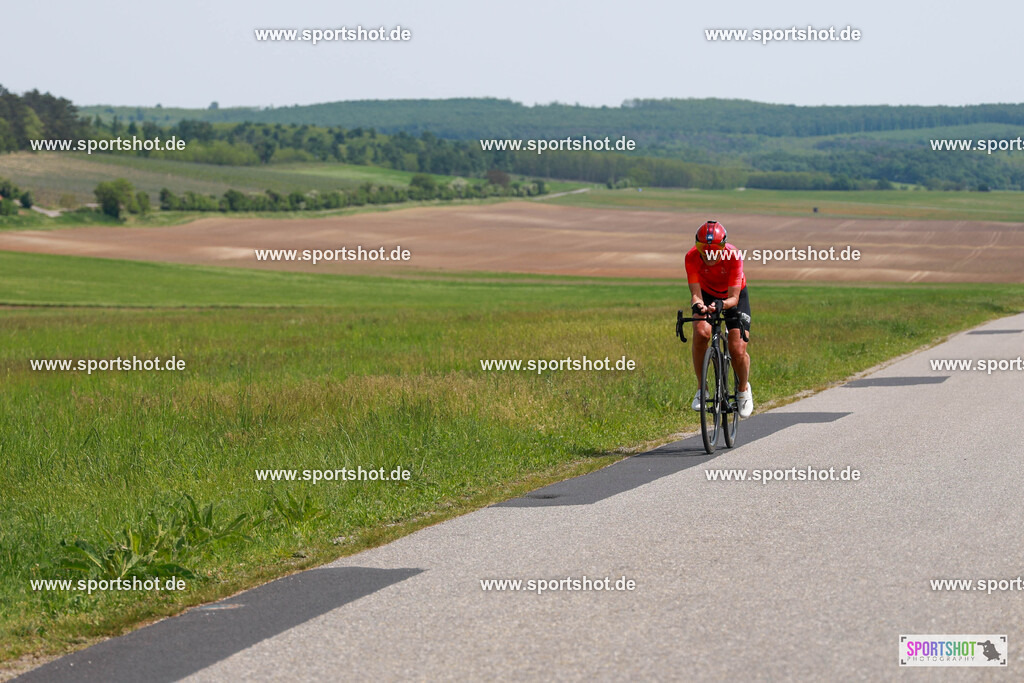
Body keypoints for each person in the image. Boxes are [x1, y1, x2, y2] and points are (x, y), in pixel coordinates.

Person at [684, 220, 753, 418]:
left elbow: (734, 297)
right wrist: (699, 305)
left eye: (714, 249)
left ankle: (742, 390)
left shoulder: (733, 256)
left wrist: (721, 305)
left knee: (737, 349)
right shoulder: (691, 257)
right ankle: (701, 389)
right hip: (707, 294)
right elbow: (695, 295)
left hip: (733, 296)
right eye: (703, 249)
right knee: (700, 333)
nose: (709, 254)